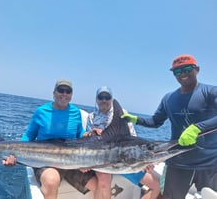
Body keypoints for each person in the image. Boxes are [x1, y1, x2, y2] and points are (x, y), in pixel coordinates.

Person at [122, 54, 217, 199]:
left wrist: (198, 128)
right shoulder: (168, 99)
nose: (182, 74)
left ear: (197, 69)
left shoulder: (210, 92)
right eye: (177, 71)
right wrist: (135, 119)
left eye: (186, 69)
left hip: (209, 163)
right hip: (178, 162)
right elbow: (155, 122)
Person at [3, 79, 98, 199]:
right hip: (45, 161)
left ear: (71, 94)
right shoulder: (41, 112)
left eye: (67, 91)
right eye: (61, 90)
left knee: (97, 184)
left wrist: (90, 134)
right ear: (54, 93)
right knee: (51, 180)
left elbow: (79, 133)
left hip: (71, 161)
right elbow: (28, 136)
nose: (64, 94)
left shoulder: (75, 112)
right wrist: (13, 154)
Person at [86, 86, 160, 199]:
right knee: (103, 182)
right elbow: (89, 144)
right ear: (96, 99)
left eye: (107, 97)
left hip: (127, 161)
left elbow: (132, 140)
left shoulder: (122, 114)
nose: (104, 100)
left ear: (111, 99)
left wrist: (145, 160)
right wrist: (95, 134)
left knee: (157, 185)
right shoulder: (91, 117)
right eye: (101, 97)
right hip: (104, 161)